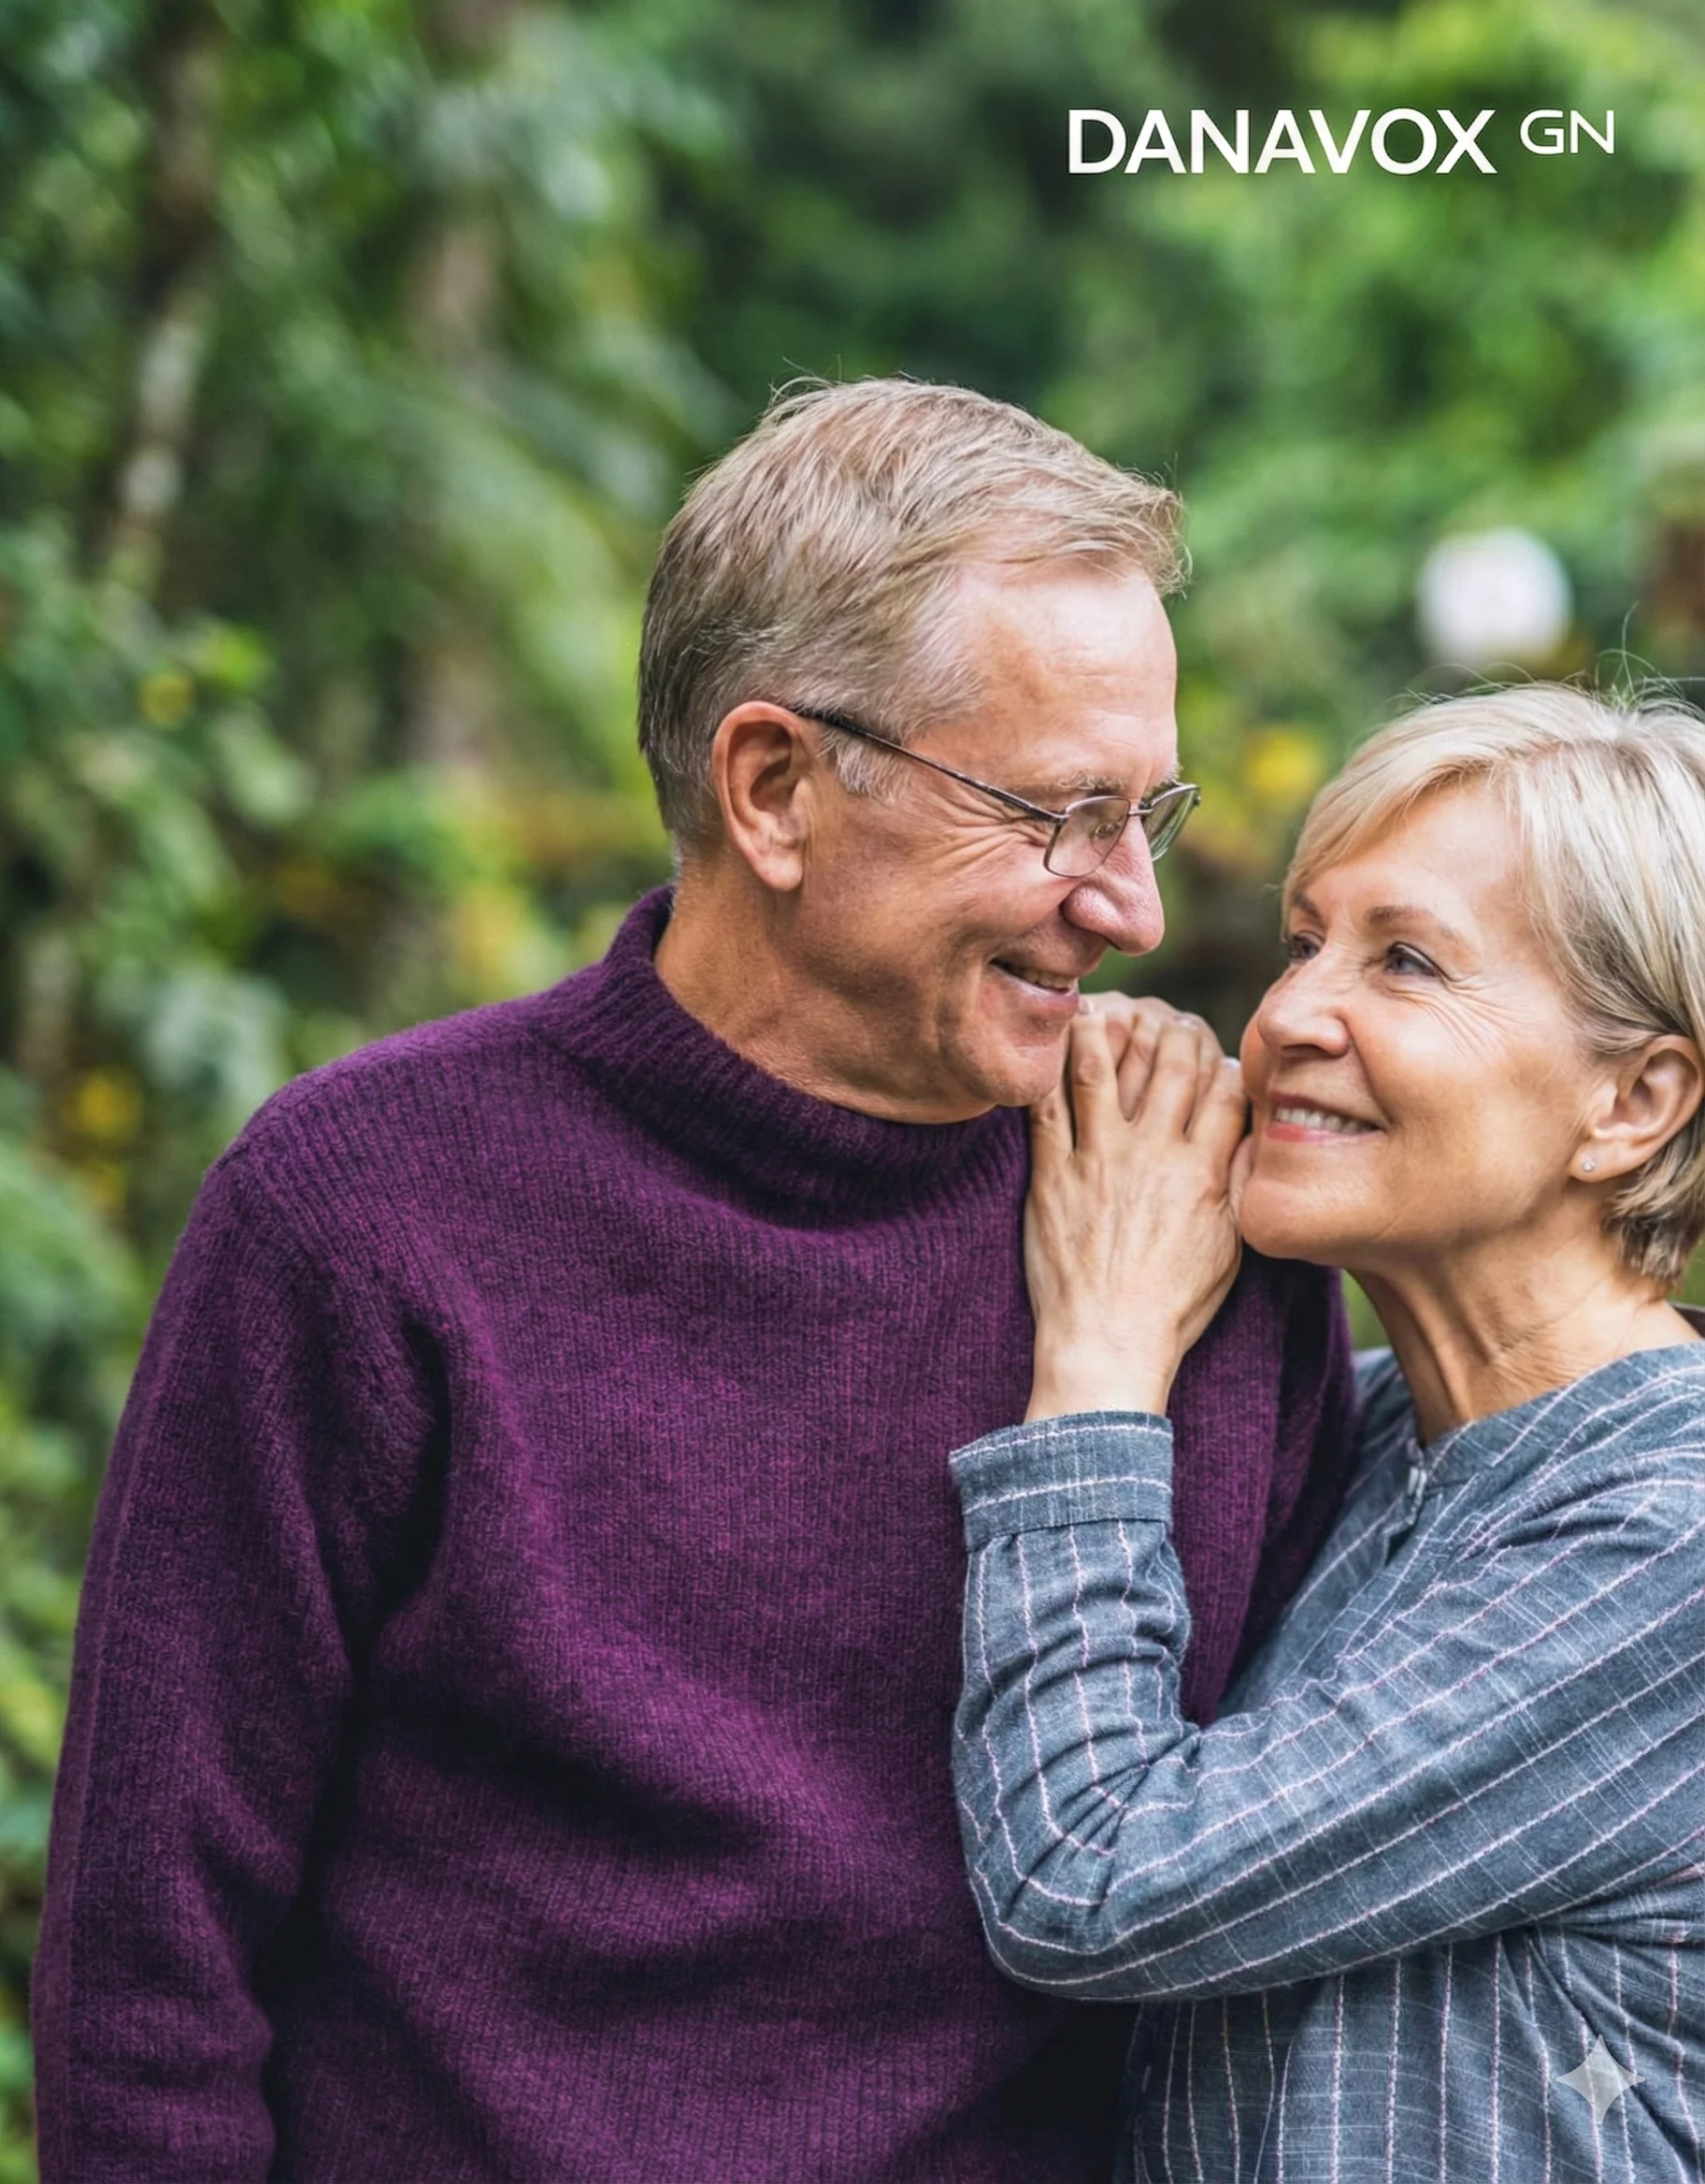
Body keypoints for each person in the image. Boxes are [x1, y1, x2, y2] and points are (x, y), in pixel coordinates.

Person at [33, 379, 1357, 2183]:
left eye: (1153, 813)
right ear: (774, 789)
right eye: (1057, 815)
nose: (1128, 905)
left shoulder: (1199, 1228)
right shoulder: (360, 1212)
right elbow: (152, 1991)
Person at [950, 683, 1705, 2183]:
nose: (1290, 1014)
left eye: (1407, 962)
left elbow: (1090, 1876)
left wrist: (1098, 1358)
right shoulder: (1352, 1440)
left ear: (1634, 1099)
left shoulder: (1671, 1546)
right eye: (1306, 943)